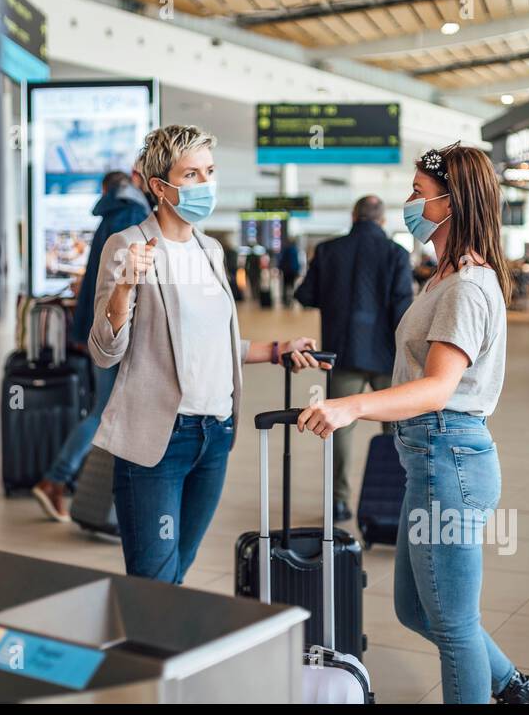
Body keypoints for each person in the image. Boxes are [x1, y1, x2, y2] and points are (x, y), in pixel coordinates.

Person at [296, 143, 529, 705]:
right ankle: (519, 691)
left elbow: (440, 387)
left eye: (419, 194)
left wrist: (352, 407)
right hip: (430, 461)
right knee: (416, 608)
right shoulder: (444, 276)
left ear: (452, 202)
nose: (409, 203)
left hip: (452, 461)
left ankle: (512, 693)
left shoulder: (467, 286)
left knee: (453, 624)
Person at [87, 125, 326, 584]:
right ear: (160, 187)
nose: (206, 184)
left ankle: (161, 650)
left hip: (214, 435)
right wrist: (124, 287)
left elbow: (210, 342)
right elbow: (105, 350)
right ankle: (145, 651)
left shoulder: (211, 249)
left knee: (179, 573)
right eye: (191, 174)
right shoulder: (129, 245)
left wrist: (278, 349)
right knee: (155, 581)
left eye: (210, 172)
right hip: (159, 440)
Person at [32, 170, 149, 522]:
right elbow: (121, 282)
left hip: (99, 326)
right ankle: (56, 480)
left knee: (105, 410)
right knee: (104, 412)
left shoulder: (114, 213)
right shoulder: (131, 214)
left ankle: (83, 491)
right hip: (115, 329)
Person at [294, 195, 414, 522]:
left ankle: (339, 502)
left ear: (353, 215)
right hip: (388, 357)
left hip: (344, 353)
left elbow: (304, 295)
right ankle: (392, 504)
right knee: (396, 431)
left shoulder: (329, 251)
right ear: (382, 220)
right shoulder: (396, 254)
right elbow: (402, 310)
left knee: (338, 427)